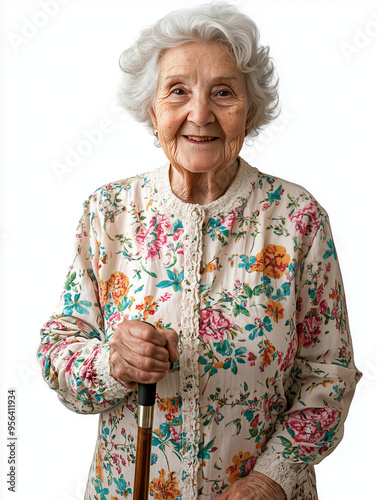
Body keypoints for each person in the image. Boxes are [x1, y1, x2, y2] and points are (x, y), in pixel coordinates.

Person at [37, 3, 361, 499]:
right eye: (178, 91)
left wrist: (270, 479)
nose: (200, 114)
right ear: (152, 110)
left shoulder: (298, 218)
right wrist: (112, 362)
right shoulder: (109, 213)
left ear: (250, 111)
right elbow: (58, 352)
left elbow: (329, 372)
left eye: (224, 93)